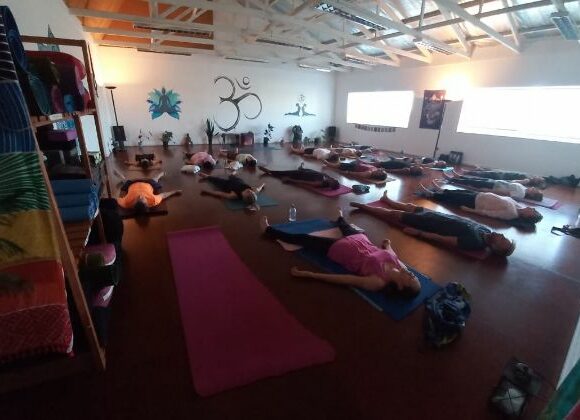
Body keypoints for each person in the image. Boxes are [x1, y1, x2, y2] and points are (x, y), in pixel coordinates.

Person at [260, 209, 421, 296]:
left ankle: (269, 230)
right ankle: (340, 217)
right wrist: (388, 244)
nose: (411, 274)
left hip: (340, 249)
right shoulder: (399, 266)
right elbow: (391, 252)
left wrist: (309, 274)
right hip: (361, 240)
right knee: (345, 226)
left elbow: (344, 279)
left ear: (400, 286)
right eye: (414, 276)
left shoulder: (378, 282)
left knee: (304, 239)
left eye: (411, 279)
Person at [350, 192, 516, 257]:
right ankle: (387, 200)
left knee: (394, 215)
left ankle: (365, 207)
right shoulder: (486, 230)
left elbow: (445, 239)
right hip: (438, 215)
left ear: (495, 248)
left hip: (429, 224)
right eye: (504, 237)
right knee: (411, 206)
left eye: (502, 240)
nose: (501, 235)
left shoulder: (475, 242)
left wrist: (419, 233)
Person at [417, 182, 543, 226]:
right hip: (480, 196)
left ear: (528, 216)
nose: (532, 209)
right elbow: (501, 197)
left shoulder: (511, 214)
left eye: (533, 211)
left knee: (453, 198)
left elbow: (489, 214)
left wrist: (470, 211)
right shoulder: (519, 206)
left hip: (475, 203)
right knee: (458, 192)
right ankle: (440, 189)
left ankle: (431, 194)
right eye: (534, 209)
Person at [114, 170, 181, 214]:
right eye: (142, 198)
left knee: (125, 181)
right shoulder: (153, 200)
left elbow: (116, 199)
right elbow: (163, 195)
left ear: (134, 204)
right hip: (148, 184)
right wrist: (174, 192)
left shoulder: (126, 203)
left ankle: (120, 176)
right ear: (147, 204)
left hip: (132, 184)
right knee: (155, 179)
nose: (140, 196)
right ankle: (160, 174)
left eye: (138, 198)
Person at [442, 172, 543, 201]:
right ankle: (459, 176)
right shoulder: (524, 188)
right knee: (475, 179)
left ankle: (451, 179)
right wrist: (523, 181)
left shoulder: (520, 194)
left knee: (471, 182)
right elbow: (513, 182)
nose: (534, 188)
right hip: (496, 182)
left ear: (532, 195)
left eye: (535, 191)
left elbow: (505, 193)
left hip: (494, 187)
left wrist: (488, 191)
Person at [199, 172, 264, 210]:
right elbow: (259, 188)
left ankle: (207, 176)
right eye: (251, 191)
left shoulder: (234, 195)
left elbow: (219, 193)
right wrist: (263, 185)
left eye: (248, 192)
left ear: (244, 197)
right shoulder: (254, 191)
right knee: (231, 176)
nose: (250, 190)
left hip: (226, 184)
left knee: (215, 179)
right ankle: (233, 173)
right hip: (238, 181)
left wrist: (207, 192)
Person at [259, 164, 340, 189]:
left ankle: (269, 172)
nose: (333, 179)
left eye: (334, 181)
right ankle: (302, 168)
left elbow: (304, 182)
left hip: (300, 176)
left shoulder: (321, 183)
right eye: (335, 179)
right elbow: (316, 172)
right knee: (312, 172)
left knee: (284, 173)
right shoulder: (328, 177)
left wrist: (290, 180)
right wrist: (303, 169)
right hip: (306, 172)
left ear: (331, 184)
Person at [459, 169, 545, 187]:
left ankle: (466, 172)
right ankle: (473, 170)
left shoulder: (526, 180)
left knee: (484, 174)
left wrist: (503, 180)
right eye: (539, 177)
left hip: (502, 177)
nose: (537, 177)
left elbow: (513, 181)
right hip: (503, 174)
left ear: (536, 181)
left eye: (538, 178)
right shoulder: (528, 178)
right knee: (485, 172)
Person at [323, 159, 389, 182]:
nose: (380, 170)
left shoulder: (369, 173)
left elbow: (359, 174)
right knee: (343, 163)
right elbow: (369, 165)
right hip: (358, 164)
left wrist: (348, 172)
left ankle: (329, 164)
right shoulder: (375, 170)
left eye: (381, 172)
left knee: (340, 165)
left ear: (378, 175)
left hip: (353, 167)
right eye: (381, 170)